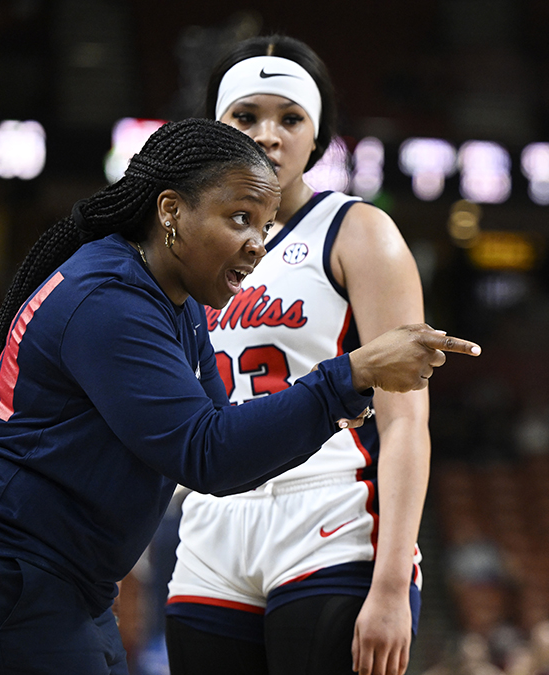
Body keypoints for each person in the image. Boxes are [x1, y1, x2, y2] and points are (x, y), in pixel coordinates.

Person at [0, 118, 479, 675]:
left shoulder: (177, 301)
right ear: (171, 212)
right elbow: (209, 454)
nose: (257, 245)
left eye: (265, 226)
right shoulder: (109, 299)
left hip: (55, 581)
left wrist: (345, 390)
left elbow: (228, 438)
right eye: (239, 218)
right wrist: (350, 373)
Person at [162, 35, 432, 675]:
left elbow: (406, 419)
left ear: (318, 137)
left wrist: (392, 582)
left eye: (290, 118)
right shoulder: (180, 243)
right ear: (215, 130)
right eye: (246, 116)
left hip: (331, 511)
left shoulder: (358, 231)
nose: (268, 135)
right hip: (211, 518)